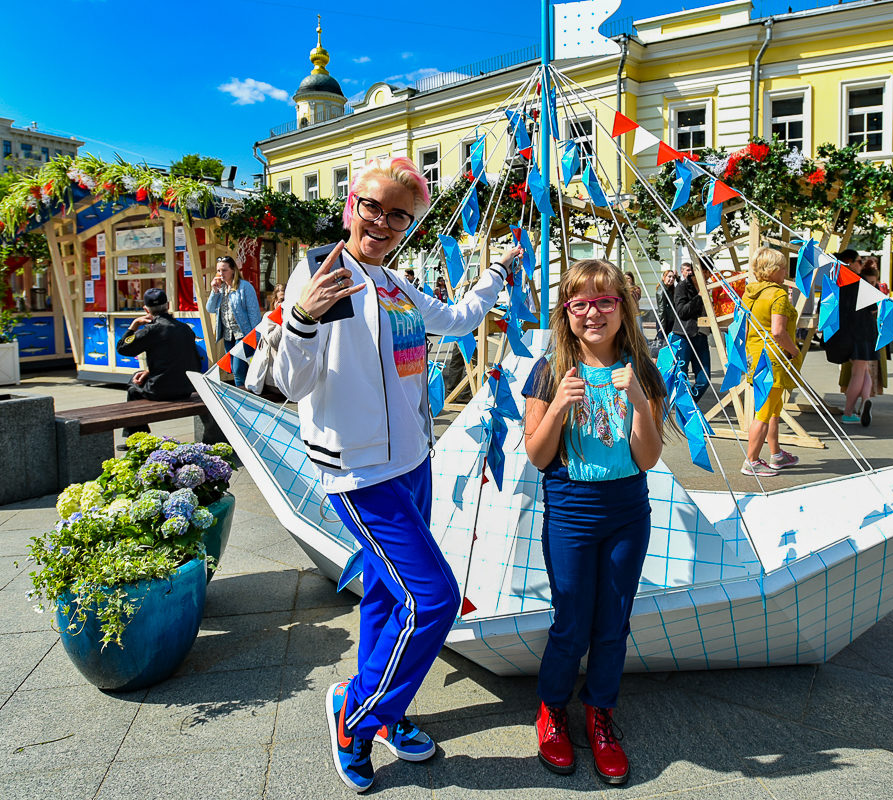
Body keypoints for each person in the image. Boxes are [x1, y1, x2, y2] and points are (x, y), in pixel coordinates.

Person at [273, 156, 522, 793]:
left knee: (390, 595)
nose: (382, 222)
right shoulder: (321, 271)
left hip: (412, 462)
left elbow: (455, 318)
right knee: (434, 598)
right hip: (362, 473)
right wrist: (302, 319)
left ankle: (380, 704)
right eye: (372, 207)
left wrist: (497, 272)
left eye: (398, 216)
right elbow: (291, 382)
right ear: (350, 204)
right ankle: (358, 715)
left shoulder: (394, 283)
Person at [521, 258, 667, 786]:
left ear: (623, 308)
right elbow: (538, 456)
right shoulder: (550, 371)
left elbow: (647, 458)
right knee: (571, 622)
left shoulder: (642, 370)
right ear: (566, 312)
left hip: (627, 511)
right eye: (580, 302)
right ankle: (552, 710)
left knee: (613, 624)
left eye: (605, 300)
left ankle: (599, 713)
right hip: (571, 511)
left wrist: (639, 403)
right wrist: (558, 405)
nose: (593, 312)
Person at [739, 247, 802, 476]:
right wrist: (794, 351)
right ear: (773, 270)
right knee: (764, 413)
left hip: (755, 356)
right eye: (783, 267)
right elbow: (778, 332)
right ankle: (752, 461)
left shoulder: (750, 293)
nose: (786, 271)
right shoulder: (778, 294)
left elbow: (745, 328)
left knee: (774, 408)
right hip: (774, 358)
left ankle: (776, 454)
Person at [115, 287, 203, 438]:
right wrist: (149, 371)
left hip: (162, 390)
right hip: (187, 389)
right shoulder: (185, 329)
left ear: (146, 309)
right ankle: (137, 436)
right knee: (140, 377)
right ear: (168, 305)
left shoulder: (150, 330)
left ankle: (137, 437)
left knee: (133, 386)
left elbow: (122, 348)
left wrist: (134, 325)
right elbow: (193, 361)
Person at [206, 255, 262, 388]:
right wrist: (214, 291)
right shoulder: (221, 289)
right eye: (218, 270)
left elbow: (254, 313)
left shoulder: (244, 287)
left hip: (244, 335)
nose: (221, 274)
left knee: (238, 369)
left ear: (233, 270)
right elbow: (210, 308)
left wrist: (257, 337)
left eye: (224, 270)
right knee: (235, 369)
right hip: (228, 335)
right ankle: (245, 393)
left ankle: (243, 395)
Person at [839, 263, 884, 425]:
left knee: (862, 371)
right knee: (860, 372)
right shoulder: (862, 285)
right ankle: (850, 411)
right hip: (865, 332)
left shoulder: (845, 283)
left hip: (849, 332)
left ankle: (862, 403)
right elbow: (873, 309)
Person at [671, 261, 711, 398]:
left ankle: (689, 404)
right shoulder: (682, 286)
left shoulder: (709, 286)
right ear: (701, 271)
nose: (709, 276)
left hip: (701, 335)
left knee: (704, 379)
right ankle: (683, 407)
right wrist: (699, 297)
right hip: (683, 335)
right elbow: (682, 312)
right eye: (707, 273)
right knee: (681, 378)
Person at [245, 284, 287, 395]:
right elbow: (274, 342)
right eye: (282, 300)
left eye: (288, 300)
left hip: (290, 380)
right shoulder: (269, 317)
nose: (284, 304)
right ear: (275, 302)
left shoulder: (296, 319)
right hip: (273, 382)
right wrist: (283, 320)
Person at [654, 268, 676, 343]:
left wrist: (678, 278)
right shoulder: (661, 290)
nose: (671, 279)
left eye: (673, 277)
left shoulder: (670, 289)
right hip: (664, 321)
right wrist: (662, 327)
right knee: (662, 342)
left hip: (670, 320)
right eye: (669, 276)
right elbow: (661, 309)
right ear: (664, 277)